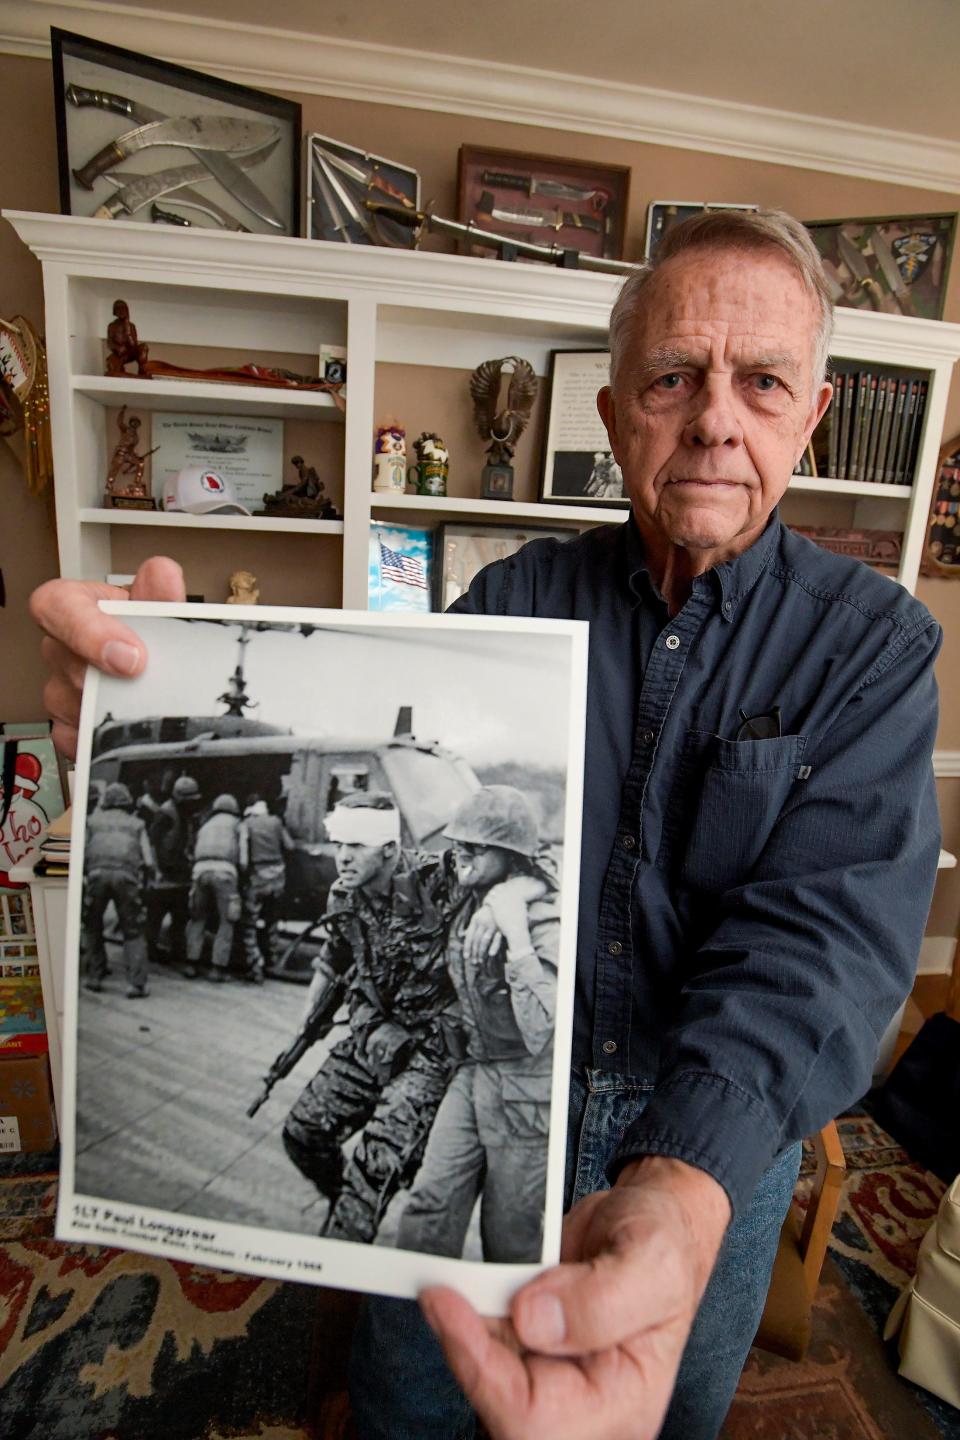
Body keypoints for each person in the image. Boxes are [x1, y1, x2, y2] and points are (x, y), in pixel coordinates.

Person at [29, 208, 943, 1440]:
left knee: (655, 1418)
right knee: (419, 1396)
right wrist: (148, 691)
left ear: (810, 413)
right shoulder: (510, 601)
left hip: (704, 1128)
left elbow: (828, 937)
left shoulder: (871, 648)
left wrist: (682, 1180)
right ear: (617, 414)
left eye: (762, 381)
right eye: (673, 377)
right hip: (481, 1068)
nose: (717, 418)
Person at [281, 791, 465, 1243]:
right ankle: (344, 1202)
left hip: (433, 1046)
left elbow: (520, 865)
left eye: (356, 846)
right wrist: (308, 1022)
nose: (343, 858)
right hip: (375, 1033)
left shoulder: (439, 878)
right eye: (340, 845)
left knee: (376, 1166)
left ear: (389, 848)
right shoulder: (343, 894)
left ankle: (345, 1240)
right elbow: (335, 956)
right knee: (302, 1133)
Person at [395, 785, 558, 1264]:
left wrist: (516, 933)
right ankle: (407, 1315)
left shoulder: (545, 921)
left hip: (528, 1089)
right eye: (458, 842)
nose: (459, 854)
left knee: (509, 1233)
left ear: (510, 856)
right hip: (475, 1072)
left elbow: (542, 1027)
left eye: (477, 846)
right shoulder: (468, 889)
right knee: (429, 1207)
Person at [81, 780, 155, 999]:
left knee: (92, 924)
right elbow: (148, 861)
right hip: (127, 877)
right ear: (127, 803)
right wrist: (147, 883)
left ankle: (95, 977)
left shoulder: (91, 822)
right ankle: (137, 985)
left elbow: (82, 852)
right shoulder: (137, 824)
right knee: (133, 930)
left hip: (96, 875)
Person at [185, 792, 247, 981]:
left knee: (198, 919)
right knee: (227, 921)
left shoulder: (206, 825)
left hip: (200, 871)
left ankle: (191, 964)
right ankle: (217, 968)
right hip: (225, 872)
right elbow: (244, 858)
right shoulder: (239, 825)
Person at [146, 773, 202, 971]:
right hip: (164, 876)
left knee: (180, 917)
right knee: (155, 916)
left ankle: (176, 952)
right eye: (188, 800)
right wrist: (156, 869)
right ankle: (151, 950)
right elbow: (152, 843)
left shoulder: (185, 816)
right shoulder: (166, 813)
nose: (191, 804)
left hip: (179, 875)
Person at [240, 795, 294, 983]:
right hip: (278, 877)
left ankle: (255, 967)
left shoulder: (247, 824)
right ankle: (272, 958)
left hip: (257, 877)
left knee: (249, 924)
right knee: (271, 920)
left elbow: (243, 856)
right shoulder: (276, 822)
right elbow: (290, 845)